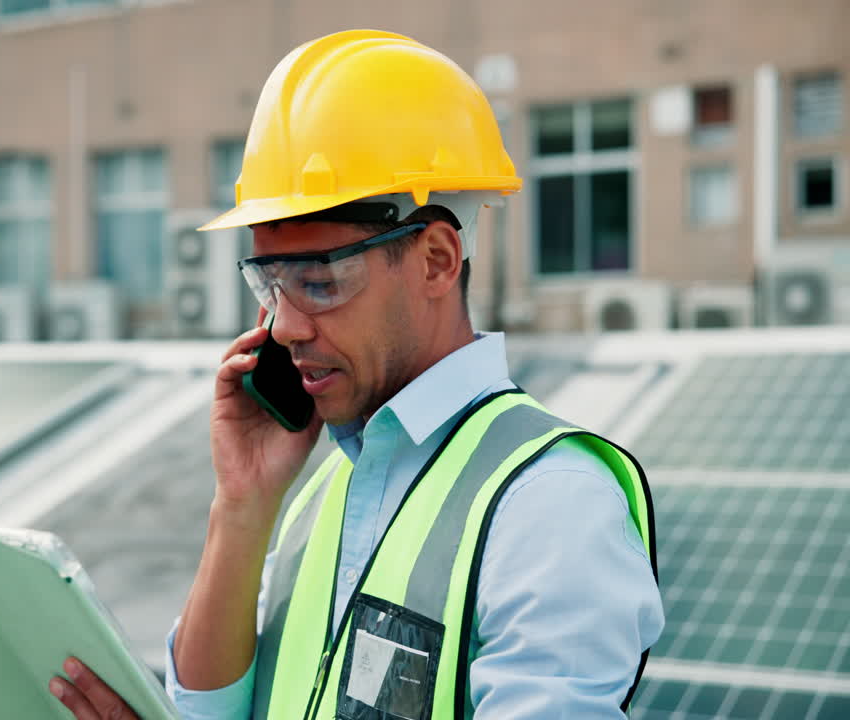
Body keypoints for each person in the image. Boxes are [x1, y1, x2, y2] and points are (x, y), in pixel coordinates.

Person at [51, 29, 663, 719]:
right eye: (270, 283)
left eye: (318, 280)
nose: (283, 327)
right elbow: (205, 711)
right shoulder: (324, 490)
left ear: (436, 259)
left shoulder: (549, 503)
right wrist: (243, 507)